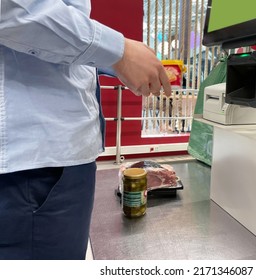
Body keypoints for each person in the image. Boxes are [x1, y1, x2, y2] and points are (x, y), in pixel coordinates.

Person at [0, 0, 171, 260]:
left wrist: (112, 60)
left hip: (50, 162)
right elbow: (14, 8)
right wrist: (120, 51)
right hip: (34, 167)